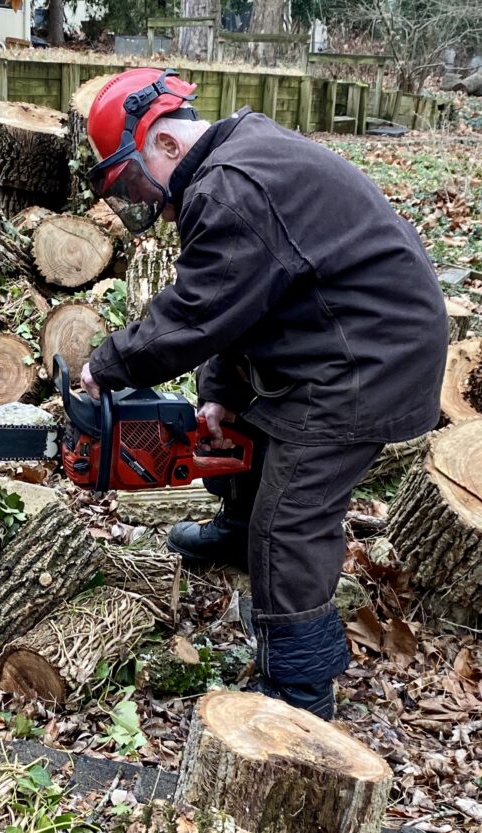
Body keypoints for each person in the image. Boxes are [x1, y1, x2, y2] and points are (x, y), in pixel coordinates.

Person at [80, 67, 448, 721]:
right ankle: (236, 531)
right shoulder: (235, 164)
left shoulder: (229, 188)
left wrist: (107, 365)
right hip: (335, 335)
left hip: (369, 358)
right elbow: (241, 306)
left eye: (137, 183)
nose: (149, 203)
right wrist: (219, 391)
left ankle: (300, 688)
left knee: (292, 524)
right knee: (236, 427)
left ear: (164, 144)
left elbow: (194, 315)